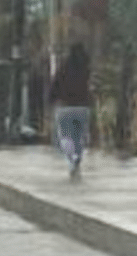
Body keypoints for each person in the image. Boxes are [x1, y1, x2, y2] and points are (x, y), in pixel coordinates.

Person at [49, 42, 92, 179]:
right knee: (79, 137)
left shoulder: (63, 68)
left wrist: (51, 100)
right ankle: (77, 158)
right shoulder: (86, 69)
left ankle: (71, 159)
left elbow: (54, 86)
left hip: (65, 107)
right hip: (83, 107)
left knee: (65, 137)